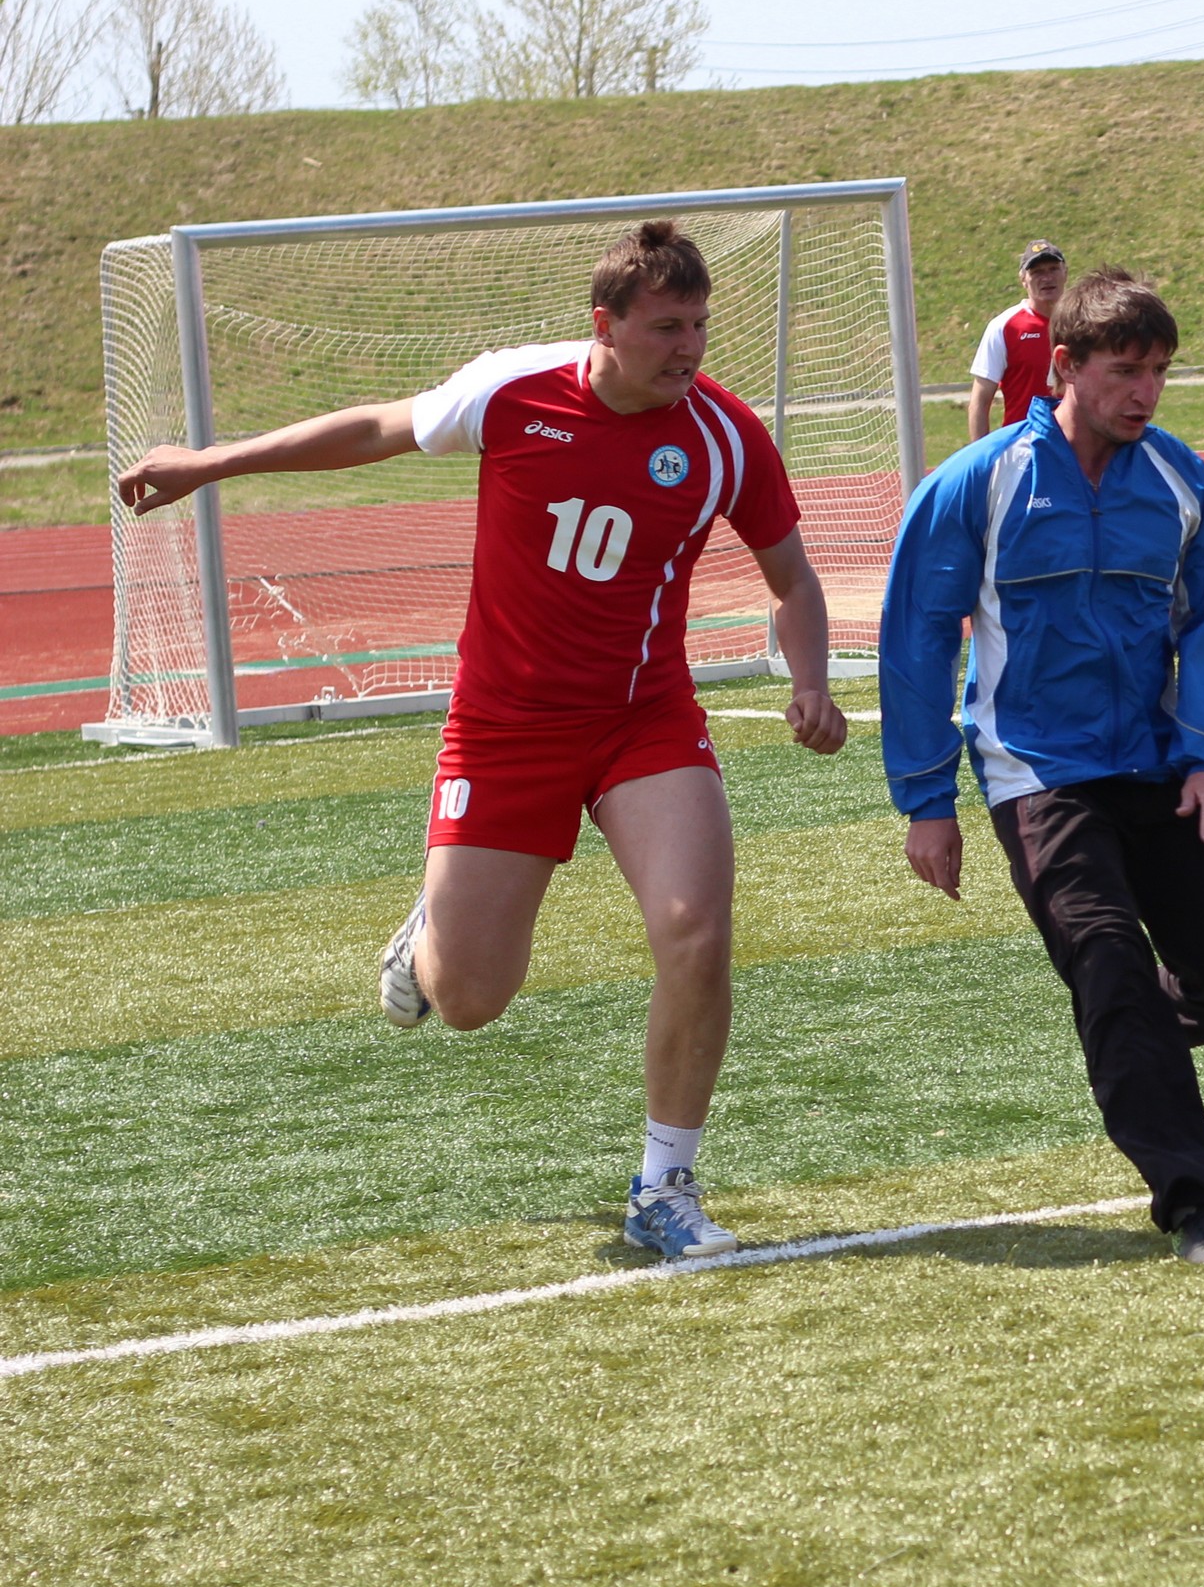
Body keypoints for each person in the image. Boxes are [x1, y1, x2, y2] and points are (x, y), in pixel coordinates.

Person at [117, 221, 847, 1263]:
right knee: (467, 1000)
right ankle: (431, 929)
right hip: (503, 729)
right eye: (664, 328)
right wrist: (207, 463)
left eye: (698, 325)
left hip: (645, 720)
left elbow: (794, 580)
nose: (687, 348)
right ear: (604, 325)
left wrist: (810, 682)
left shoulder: (724, 434)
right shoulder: (515, 390)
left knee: (694, 928)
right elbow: (374, 426)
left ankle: (665, 1187)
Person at [879, 267, 1204, 1267]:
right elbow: (916, 642)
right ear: (1062, 366)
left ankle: (1125, 1041)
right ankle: (1195, 1205)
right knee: (1106, 954)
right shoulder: (978, 483)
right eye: (1121, 371)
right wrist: (926, 803)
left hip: (1155, 766)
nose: (1141, 392)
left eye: (1156, 372)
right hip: (1035, 774)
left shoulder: (1181, 482)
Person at [966, 239, 1067, 442]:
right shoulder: (1005, 327)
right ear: (1023, 279)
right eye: (1037, 272)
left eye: (1053, 269)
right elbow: (980, 400)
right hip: (1023, 447)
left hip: (1078, 448)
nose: (1047, 277)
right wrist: (982, 460)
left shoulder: (1084, 322)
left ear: (1065, 273)